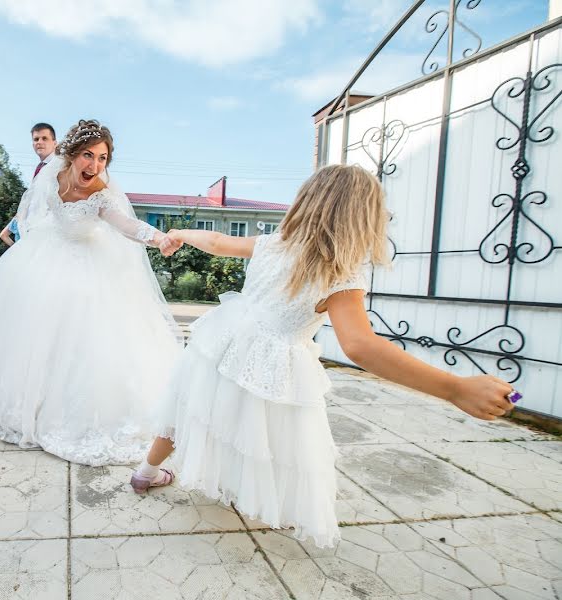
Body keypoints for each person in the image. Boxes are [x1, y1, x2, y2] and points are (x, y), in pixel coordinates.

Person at [129, 164, 518, 548]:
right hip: (269, 363)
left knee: (189, 406)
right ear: (364, 219)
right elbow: (360, 346)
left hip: (224, 339)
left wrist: (178, 233)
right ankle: (257, 496)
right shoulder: (339, 277)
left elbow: (215, 242)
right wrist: (453, 387)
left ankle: (146, 473)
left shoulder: (272, 244)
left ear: (307, 203)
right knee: (265, 434)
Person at [0, 119, 182, 466]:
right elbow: (31, 209)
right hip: (46, 252)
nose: (95, 165)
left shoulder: (101, 191)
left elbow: (125, 223)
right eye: (88, 155)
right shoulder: (51, 176)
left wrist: (158, 238)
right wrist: (17, 234)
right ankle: (24, 401)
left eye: (102, 158)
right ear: (71, 154)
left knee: (83, 335)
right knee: (30, 330)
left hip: (88, 260)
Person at [0, 122, 56, 246]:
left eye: (44, 138)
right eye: (36, 139)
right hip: (32, 232)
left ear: (54, 143)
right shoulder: (40, 167)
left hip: (48, 235)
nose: (39, 142)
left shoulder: (58, 166)